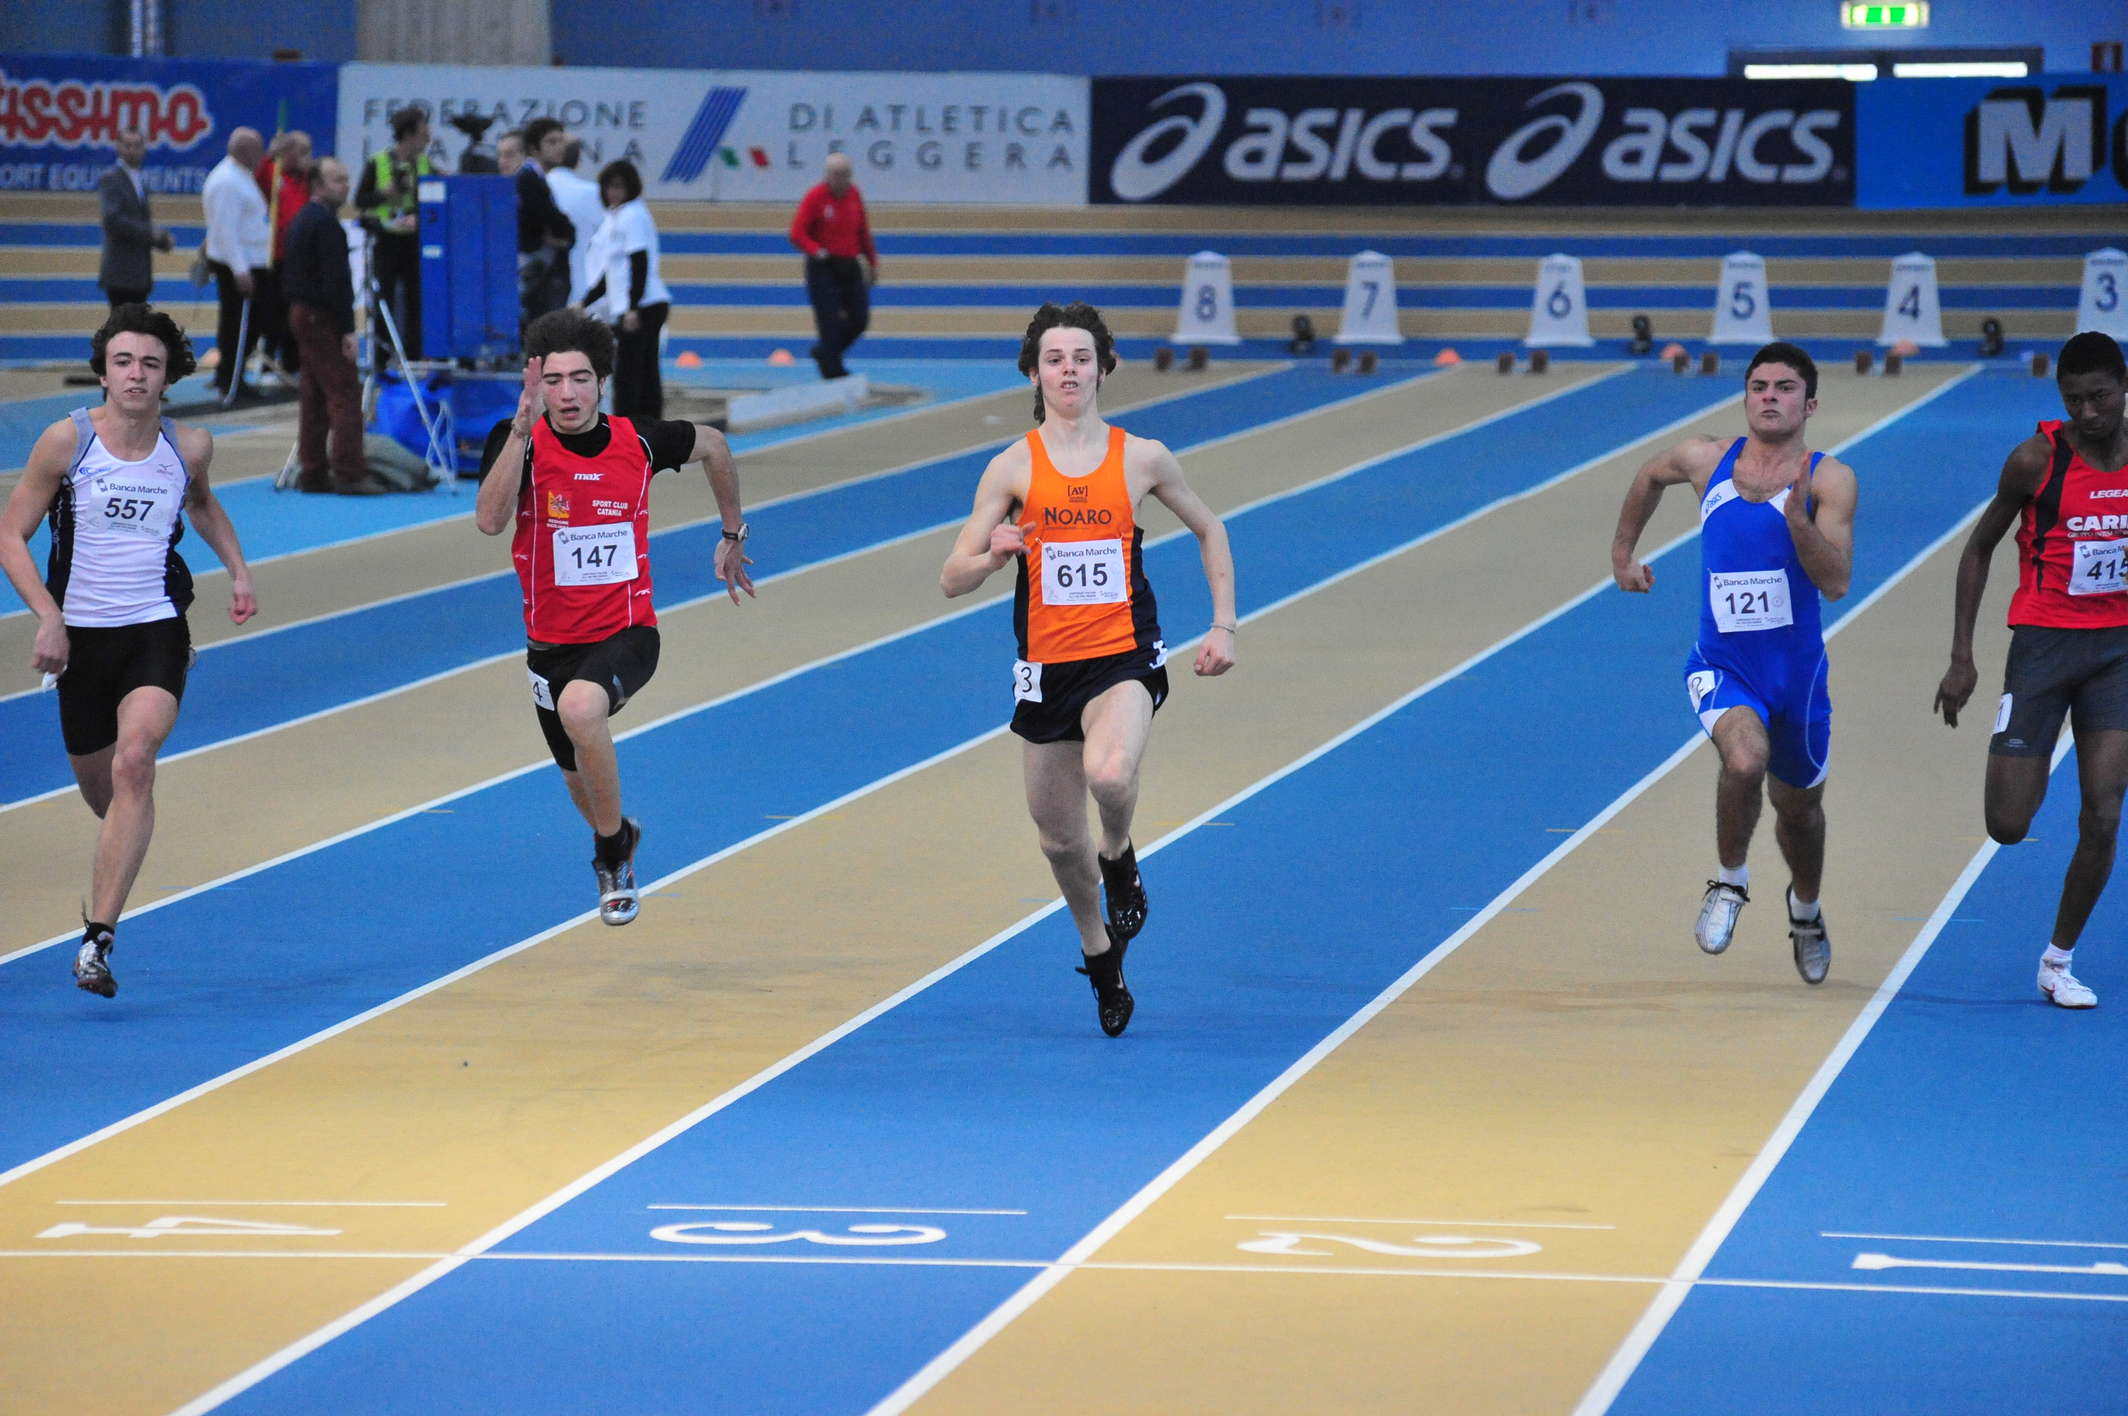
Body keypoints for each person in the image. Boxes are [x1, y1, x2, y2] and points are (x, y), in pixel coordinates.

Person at [940, 301, 1237, 1036]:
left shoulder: (1142, 457)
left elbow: (1210, 528)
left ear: (1104, 368)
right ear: (1033, 374)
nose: (1068, 371)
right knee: (1056, 842)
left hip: (1122, 656)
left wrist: (1223, 625)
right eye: (1054, 359)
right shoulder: (1012, 467)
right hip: (1047, 671)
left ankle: (1120, 853)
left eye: (1080, 358)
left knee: (1109, 775)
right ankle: (1100, 953)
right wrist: (994, 555)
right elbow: (951, 577)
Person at [0, 305, 257, 998]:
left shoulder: (189, 446)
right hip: (79, 641)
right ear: (104, 373)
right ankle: (122, 848)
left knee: (135, 760)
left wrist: (237, 570)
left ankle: (97, 940)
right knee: (106, 794)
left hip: (155, 628)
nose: (136, 375)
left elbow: (201, 504)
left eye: (150, 363)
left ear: (168, 375)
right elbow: (10, 533)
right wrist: (48, 617)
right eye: (123, 362)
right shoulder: (67, 441)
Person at [473, 309, 755, 925]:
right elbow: (490, 521)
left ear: (601, 382)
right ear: (537, 386)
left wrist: (732, 532)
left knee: (581, 710)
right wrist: (520, 432)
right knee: (582, 784)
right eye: (552, 381)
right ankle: (619, 833)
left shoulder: (639, 441)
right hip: (549, 647)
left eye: (580, 379)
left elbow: (714, 445)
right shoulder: (518, 441)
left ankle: (610, 858)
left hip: (628, 633)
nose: (566, 394)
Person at [1610, 341, 1857, 985]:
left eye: (1784, 388)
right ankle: (1729, 881)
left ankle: (1806, 910)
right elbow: (1648, 476)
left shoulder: (1829, 479)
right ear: (1746, 396)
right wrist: (1623, 555)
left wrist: (1799, 523)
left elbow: (1836, 583)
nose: (1770, 397)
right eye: (1759, 387)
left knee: (1799, 811)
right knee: (1744, 760)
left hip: (1797, 679)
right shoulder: (1706, 459)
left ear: (1810, 404)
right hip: (1723, 665)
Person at [1934, 331, 2128, 1010]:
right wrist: (1962, 656)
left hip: (2118, 652)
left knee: (2103, 812)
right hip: (2044, 648)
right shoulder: (2036, 460)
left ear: (2124, 386)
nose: (2088, 412)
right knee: (2009, 824)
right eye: (2073, 400)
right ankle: (2030, 752)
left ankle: (2057, 961)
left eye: (2099, 397)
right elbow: (1978, 548)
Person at [282, 158, 388, 496]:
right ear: (318, 184)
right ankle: (349, 472)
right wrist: (347, 329)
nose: (345, 185)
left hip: (304, 313)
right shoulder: (326, 225)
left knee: (314, 395)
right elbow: (337, 284)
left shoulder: (303, 219)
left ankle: (313, 471)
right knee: (344, 393)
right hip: (321, 316)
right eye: (337, 180)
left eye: (345, 178)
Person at [580, 160, 672, 420]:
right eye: (609, 187)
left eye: (619, 187)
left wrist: (633, 307)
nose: (613, 192)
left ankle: (631, 426)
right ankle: (646, 424)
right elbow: (611, 272)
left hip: (644, 304)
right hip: (639, 304)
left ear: (631, 188)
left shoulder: (632, 215)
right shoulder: (617, 216)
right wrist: (585, 302)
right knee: (643, 370)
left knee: (631, 373)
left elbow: (638, 263)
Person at [788, 152, 877, 380]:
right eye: (836, 174)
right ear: (827, 175)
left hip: (849, 265)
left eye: (845, 174)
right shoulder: (815, 197)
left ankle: (826, 353)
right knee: (829, 322)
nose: (841, 179)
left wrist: (872, 262)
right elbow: (797, 233)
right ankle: (833, 370)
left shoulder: (854, 195)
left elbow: (863, 232)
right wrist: (816, 249)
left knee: (859, 319)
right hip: (824, 266)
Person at [354, 106, 432, 366]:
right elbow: (360, 200)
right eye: (423, 131)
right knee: (383, 299)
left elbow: (435, 200)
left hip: (414, 240)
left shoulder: (425, 164)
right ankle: (381, 357)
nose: (428, 137)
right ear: (409, 134)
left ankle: (414, 356)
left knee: (416, 299)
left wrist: (419, 217)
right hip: (385, 239)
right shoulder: (378, 162)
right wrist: (385, 193)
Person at [200, 126, 270, 401]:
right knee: (239, 325)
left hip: (250, 261)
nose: (262, 156)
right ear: (245, 151)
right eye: (259, 150)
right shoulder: (227, 182)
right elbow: (225, 231)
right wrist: (240, 270)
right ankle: (230, 381)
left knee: (246, 323)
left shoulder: (241, 174)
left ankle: (230, 375)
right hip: (239, 265)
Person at [255, 129, 313, 378]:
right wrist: (271, 154)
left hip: (302, 258)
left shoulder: (308, 180)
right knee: (274, 313)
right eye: (302, 152)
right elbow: (258, 175)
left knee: (298, 313)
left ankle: (292, 364)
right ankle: (267, 364)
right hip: (277, 256)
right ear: (287, 153)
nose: (307, 157)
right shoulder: (274, 172)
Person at [97, 129, 174, 308]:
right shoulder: (111, 178)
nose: (132, 150)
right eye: (127, 145)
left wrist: (160, 240)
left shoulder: (138, 179)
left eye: (137, 146)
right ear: (118, 147)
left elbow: (138, 222)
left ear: (144, 148)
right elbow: (113, 220)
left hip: (139, 274)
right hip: (121, 274)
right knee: (124, 324)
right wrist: (153, 234)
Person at [511, 119, 576, 331]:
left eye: (561, 141)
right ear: (534, 148)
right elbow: (551, 220)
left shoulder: (537, 178)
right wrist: (565, 233)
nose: (559, 147)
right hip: (536, 270)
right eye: (551, 142)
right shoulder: (529, 179)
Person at [546, 138, 607, 308]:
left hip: (540, 284)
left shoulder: (532, 188)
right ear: (578, 161)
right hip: (583, 286)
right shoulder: (594, 193)